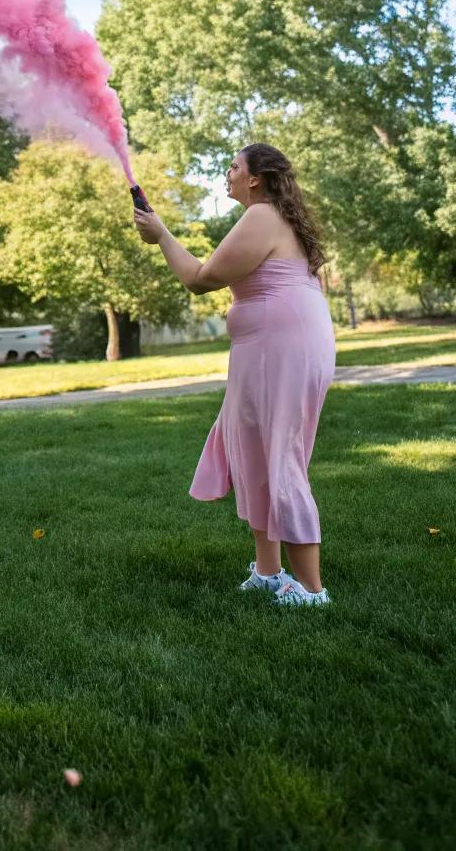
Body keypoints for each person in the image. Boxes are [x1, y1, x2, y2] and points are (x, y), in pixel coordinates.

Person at [134, 143, 335, 607]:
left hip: (281, 349)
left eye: (233, 167)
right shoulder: (269, 217)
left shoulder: (262, 216)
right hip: (265, 348)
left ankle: (310, 590)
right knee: (252, 454)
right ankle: (268, 572)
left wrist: (162, 235)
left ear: (256, 179)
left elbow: (202, 278)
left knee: (280, 457)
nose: (226, 173)